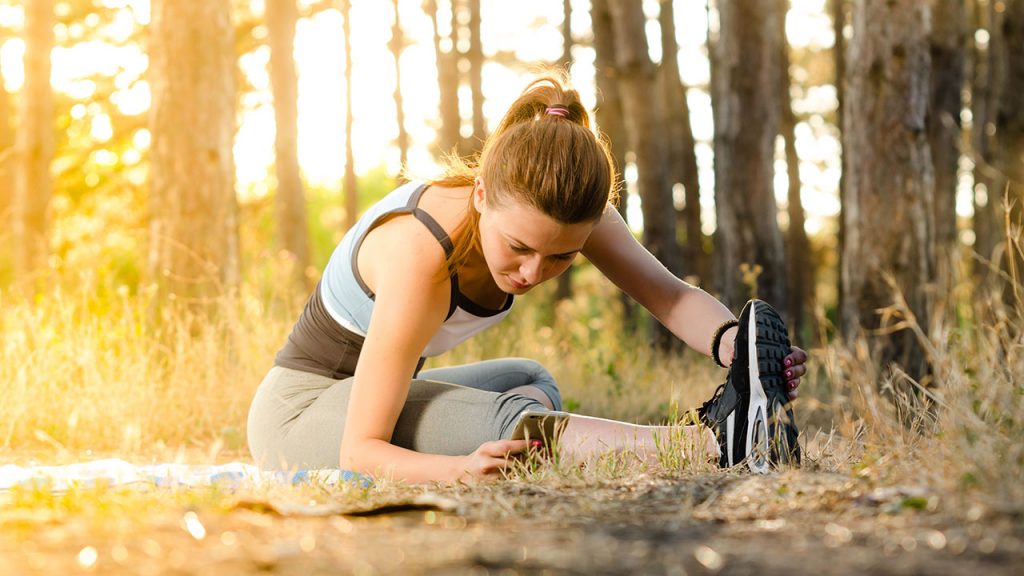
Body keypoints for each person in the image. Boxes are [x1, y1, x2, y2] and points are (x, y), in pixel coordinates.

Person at [246, 76, 808, 482]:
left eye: (561, 258)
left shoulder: (565, 211)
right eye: (519, 248)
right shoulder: (421, 253)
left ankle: (736, 428)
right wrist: (456, 468)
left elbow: (671, 296)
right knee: (514, 423)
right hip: (299, 417)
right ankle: (710, 445)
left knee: (529, 378)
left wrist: (738, 347)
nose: (534, 272)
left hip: (370, 398)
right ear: (483, 194)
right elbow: (359, 450)